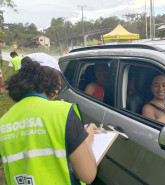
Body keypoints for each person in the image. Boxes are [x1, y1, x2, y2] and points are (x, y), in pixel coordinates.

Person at [0, 56, 100, 185]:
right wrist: (87, 138)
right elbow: (88, 175)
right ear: (55, 80)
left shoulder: (4, 121)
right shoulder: (63, 112)